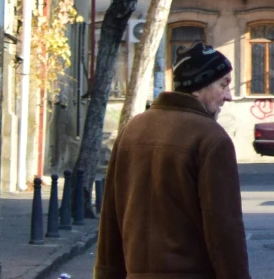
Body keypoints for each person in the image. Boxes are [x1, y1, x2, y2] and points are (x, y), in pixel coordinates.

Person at [97, 45, 250, 279]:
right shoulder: (212, 138)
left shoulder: (131, 130)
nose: (228, 95)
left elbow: (110, 222)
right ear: (198, 87)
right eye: (223, 84)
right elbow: (224, 233)